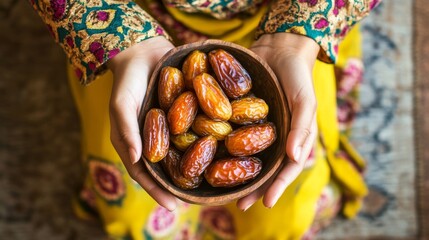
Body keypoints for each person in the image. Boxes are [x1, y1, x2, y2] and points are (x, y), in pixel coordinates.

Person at [29, 0, 380, 239]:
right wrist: (119, 38)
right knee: (132, 195)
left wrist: (299, 34)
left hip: (286, 21)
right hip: (130, 26)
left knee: (285, 207)